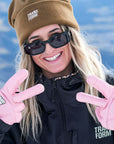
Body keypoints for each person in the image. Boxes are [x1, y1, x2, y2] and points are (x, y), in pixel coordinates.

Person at [0, 0, 114, 143]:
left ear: (71, 37)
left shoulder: (110, 95)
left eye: (57, 37)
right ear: (28, 52)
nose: (49, 50)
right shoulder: (15, 110)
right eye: (36, 44)